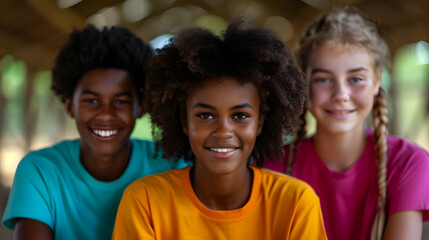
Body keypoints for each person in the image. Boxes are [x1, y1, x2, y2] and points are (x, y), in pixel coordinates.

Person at [112, 20, 327, 239]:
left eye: (240, 116)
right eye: (205, 115)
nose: (223, 131)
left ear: (260, 123)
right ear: (184, 123)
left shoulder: (295, 203)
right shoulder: (146, 201)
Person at [2, 24, 188, 240]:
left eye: (120, 101)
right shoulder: (41, 171)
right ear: (70, 106)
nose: (106, 114)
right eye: (91, 100)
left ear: (141, 107)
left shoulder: (173, 163)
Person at [265, 6, 429, 240]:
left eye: (356, 79)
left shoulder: (408, 163)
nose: (341, 94)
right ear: (304, 83)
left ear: (377, 80)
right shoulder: (272, 168)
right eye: (323, 79)